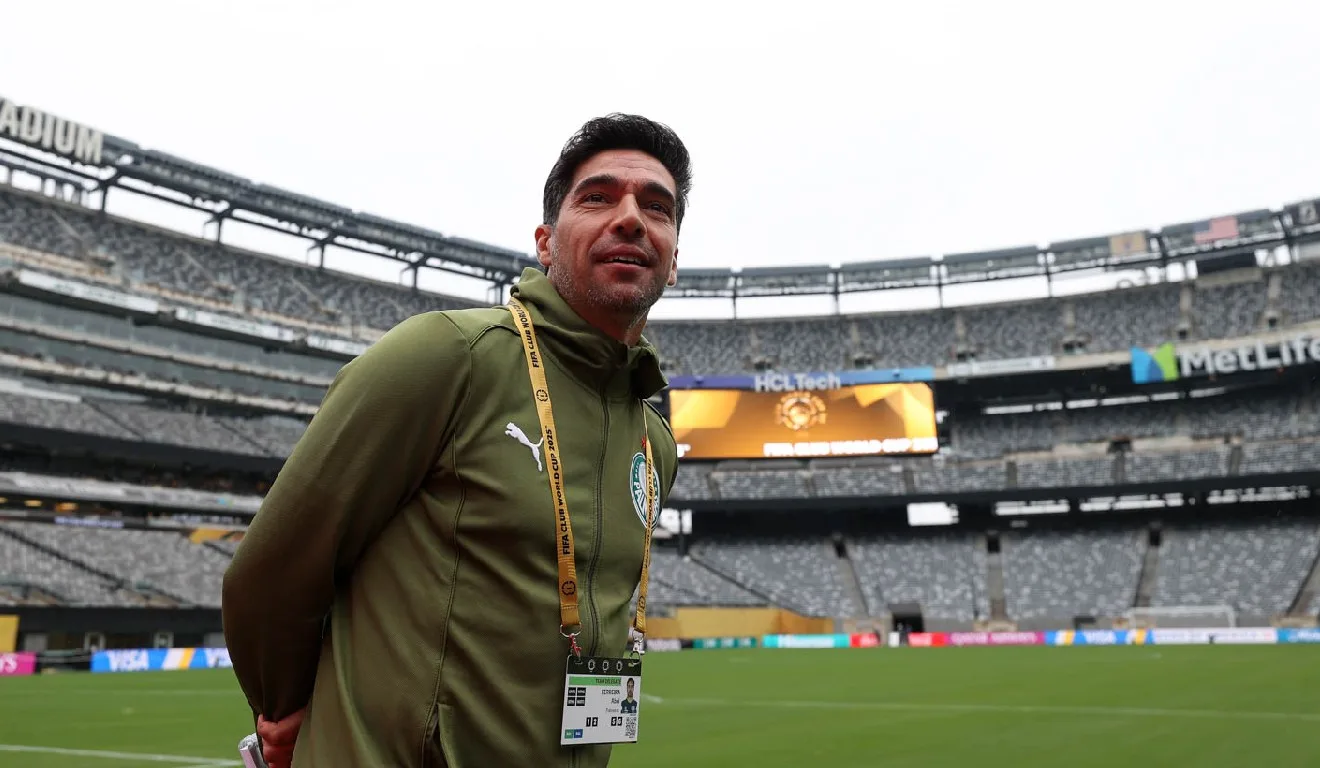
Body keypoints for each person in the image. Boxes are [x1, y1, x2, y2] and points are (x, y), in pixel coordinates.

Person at [221, 113, 690, 768]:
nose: (633, 218)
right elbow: (271, 573)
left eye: (658, 208)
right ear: (546, 242)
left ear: (673, 261)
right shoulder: (448, 356)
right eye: (598, 197)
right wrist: (290, 710)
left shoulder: (655, 442)